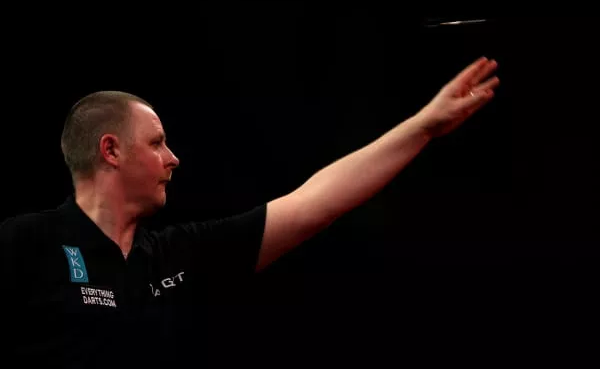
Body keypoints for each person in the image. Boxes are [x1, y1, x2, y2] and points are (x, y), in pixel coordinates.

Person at [0, 57, 498, 367]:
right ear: (110, 150)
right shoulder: (25, 242)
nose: (173, 158)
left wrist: (423, 127)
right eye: (156, 143)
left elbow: (312, 204)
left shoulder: (178, 255)